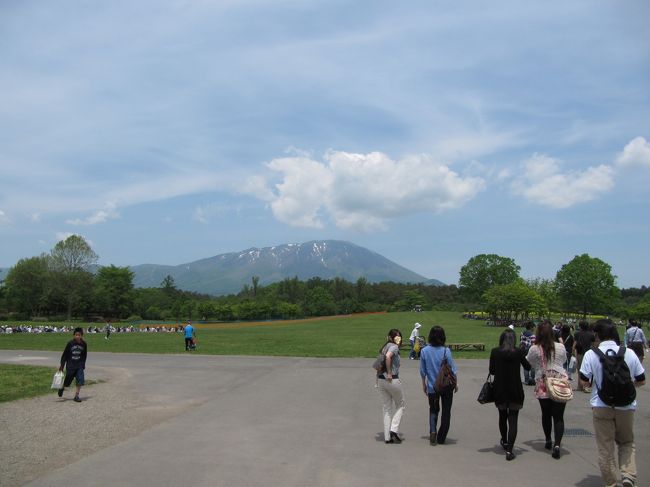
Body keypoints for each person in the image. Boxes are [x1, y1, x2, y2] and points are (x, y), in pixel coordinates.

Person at [580, 319, 645, 487]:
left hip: (601, 405)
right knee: (626, 442)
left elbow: (584, 382)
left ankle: (610, 482)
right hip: (626, 406)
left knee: (605, 447)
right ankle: (628, 475)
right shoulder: (628, 352)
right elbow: (641, 379)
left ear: (597, 335)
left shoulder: (591, 354)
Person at [526, 321, 568, 459]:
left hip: (543, 382)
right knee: (559, 416)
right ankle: (557, 444)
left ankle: (548, 439)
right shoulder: (561, 347)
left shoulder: (535, 349)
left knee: (546, 414)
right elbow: (564, 360)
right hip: (559, 382)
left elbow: (529, 362)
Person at [489, 328, 531, 461]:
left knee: (502, 416)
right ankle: (510, 450)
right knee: (513, 419)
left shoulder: (495, 351)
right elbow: (528, 367)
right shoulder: (518, 352)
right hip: (515, 389)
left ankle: (505, 441)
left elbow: (492, 371)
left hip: (500, 389)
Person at [419, 325, 458, 446]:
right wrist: (455, 383)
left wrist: (424, 384)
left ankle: (432, 431)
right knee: (446, 411)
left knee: (433, 410)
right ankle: (441, 437)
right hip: (446, 386)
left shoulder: (424, 351)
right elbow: (452, 369)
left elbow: (422, 371)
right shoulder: (446, 351)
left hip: (432, 387)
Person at [376, 329, 405, 444]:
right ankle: (393, 429)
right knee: (401, 404)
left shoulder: (384, 347)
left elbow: (379, 364)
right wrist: (389, 373)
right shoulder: (393, 347)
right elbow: (388, 357)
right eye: (397, 337)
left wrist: (377, 380)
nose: (398, 339)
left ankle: (387, 437)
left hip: (381, 380)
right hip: (391, 379)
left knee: (387, 408)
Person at [57, 327, 88, 403]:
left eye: (79, 335)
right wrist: (62, 365)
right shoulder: (70, 343)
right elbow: (64, 355)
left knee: (80, 380)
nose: (77, 336)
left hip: (79, 365)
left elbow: (84, 355)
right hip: (70, 365)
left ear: (81, 336)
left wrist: (83, 364)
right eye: (76, 335)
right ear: (74, 335)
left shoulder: (84, 344)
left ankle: (76, 395)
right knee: (67, 381)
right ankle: (62, 388)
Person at [573, 320, 595, 392]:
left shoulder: (577, 334)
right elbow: (593, 345)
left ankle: (580, 386)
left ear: (580, 326)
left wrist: (573, 353)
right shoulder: (591, 334)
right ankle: (586, 386)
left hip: (580, 353)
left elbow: (574, 345)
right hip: (589, 353)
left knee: (580, 370)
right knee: (588, 370)